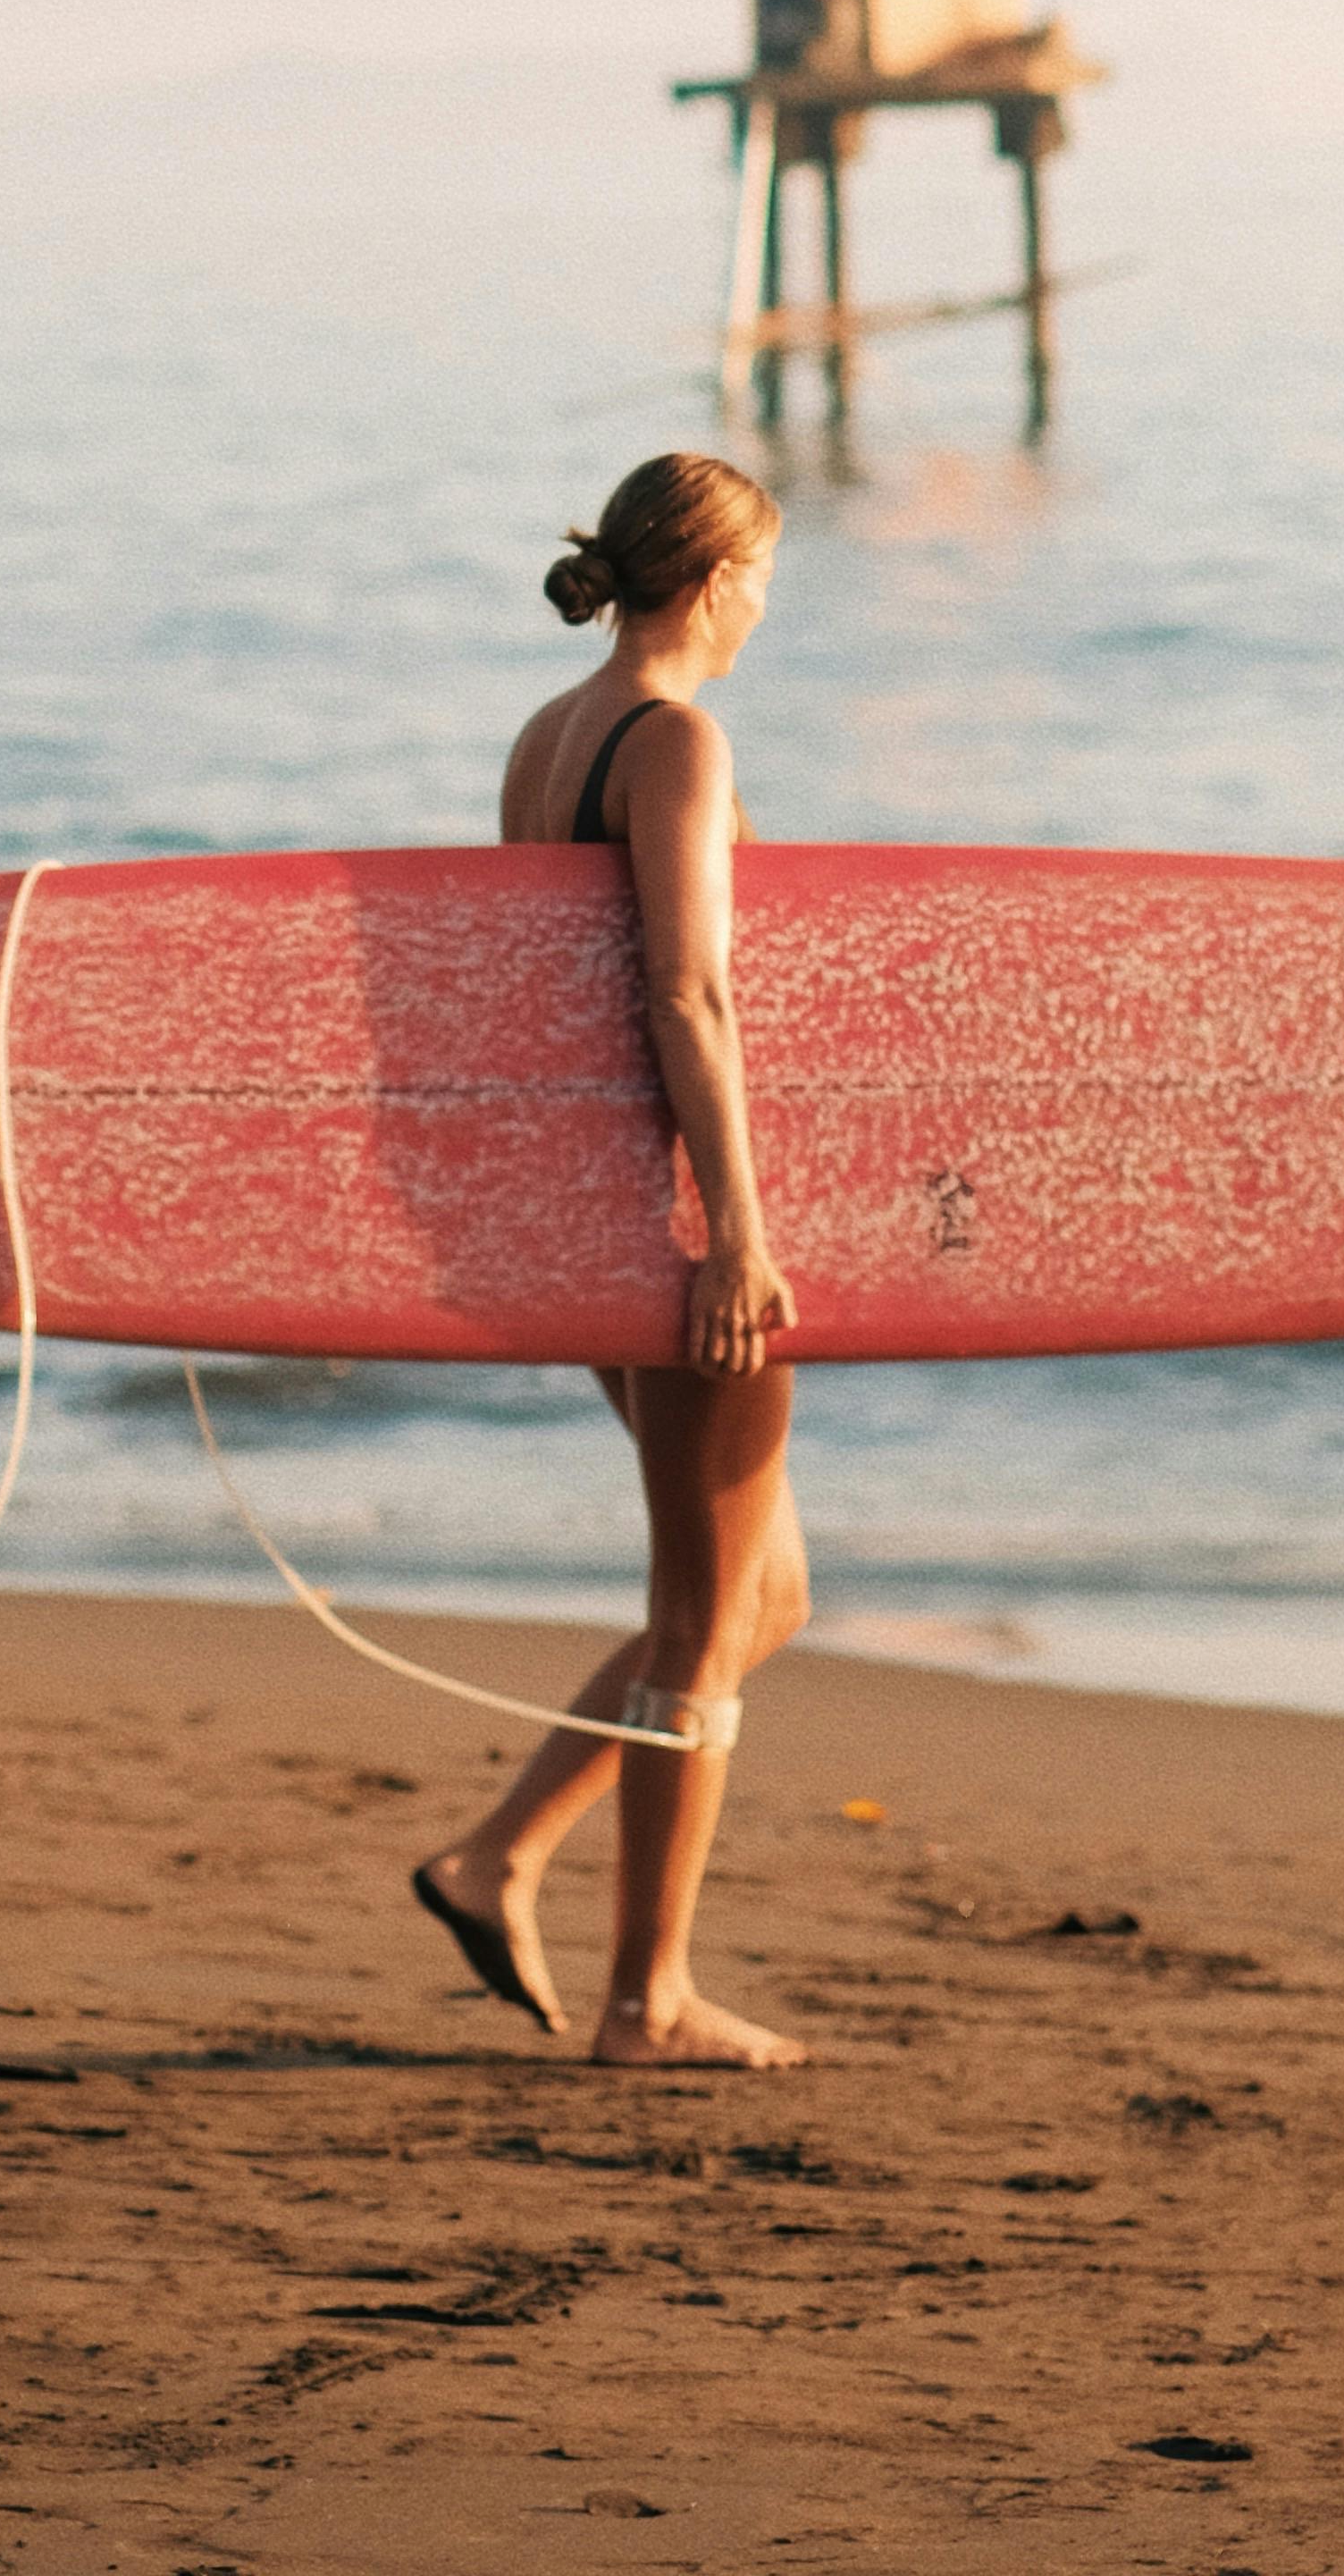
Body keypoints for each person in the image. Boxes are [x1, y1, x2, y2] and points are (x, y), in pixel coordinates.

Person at [410, 448, 809, 2068]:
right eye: (765, 577)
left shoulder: (545, 738)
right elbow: (686, 1000)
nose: (766, 608)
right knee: (705, 1617)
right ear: (716, 581)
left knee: (766, 1590)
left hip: (592, 1209)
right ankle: (649, 2002)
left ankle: (496, 1854)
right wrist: (740, 1238)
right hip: (678, 1222)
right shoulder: (680, 743)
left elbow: (543, 1006)